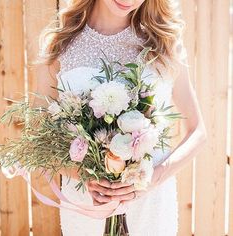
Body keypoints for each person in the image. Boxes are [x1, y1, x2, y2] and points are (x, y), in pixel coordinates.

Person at [35, 0, 207, 235]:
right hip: (87, 202)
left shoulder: (164, 42)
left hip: (151, 204)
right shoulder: (60, 44)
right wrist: (84, 176)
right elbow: (38, 137)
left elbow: (198, 133)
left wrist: (152, 179)